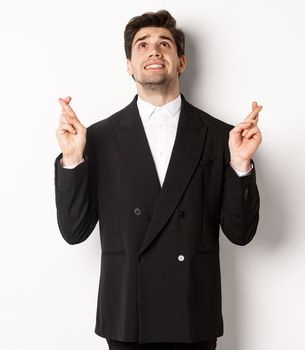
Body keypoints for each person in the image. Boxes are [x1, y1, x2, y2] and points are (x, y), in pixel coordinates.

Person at [53, 9, 262, 350]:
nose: (153, 51)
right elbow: (74, 232)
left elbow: (241, 234)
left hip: (193, 313)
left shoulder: (221, 136)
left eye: (164, 44)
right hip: (127, 316)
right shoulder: (99, 138)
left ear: (180, 62)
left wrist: (240, 164)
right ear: (129, 65)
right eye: (142, 45)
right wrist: (73, 159)